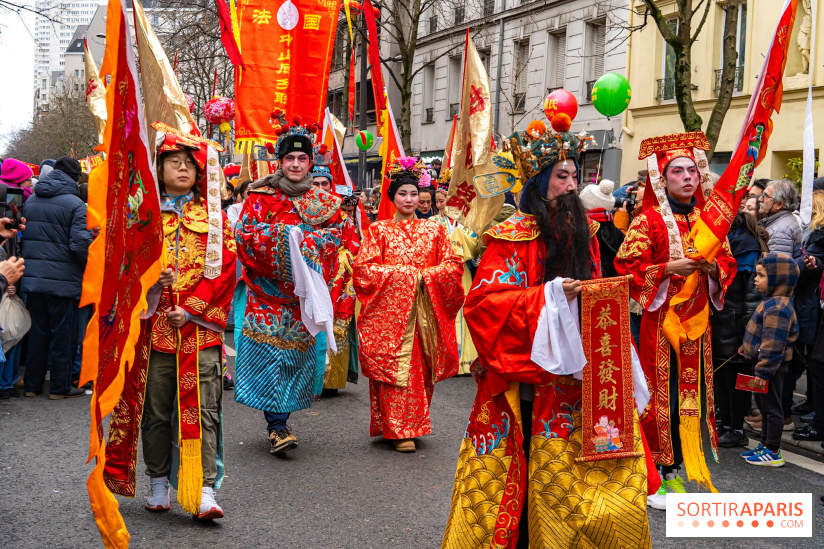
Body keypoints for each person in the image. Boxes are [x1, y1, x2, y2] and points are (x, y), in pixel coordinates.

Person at [443, 129, 656, 548]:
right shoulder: (510, 237)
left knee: (591, 479)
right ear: (540, 183)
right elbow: (483, 306)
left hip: (581, 378)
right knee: (520, 472)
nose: (573, 185)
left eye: (575, 176)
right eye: (562, 176)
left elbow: (596, 286)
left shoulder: (586, 235)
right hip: (527, 377)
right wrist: (552, 295)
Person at [102, 127, 237, 520]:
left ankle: (204, 488)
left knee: (204, 411)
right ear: (158, 168)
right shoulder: (143, 218)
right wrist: (150, 282)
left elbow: (224, 269)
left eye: (188, 165)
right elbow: (122, 267)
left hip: (198, 331)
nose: (181, 169)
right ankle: (158, 481)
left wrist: (192, 309)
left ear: (199, 174)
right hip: (153, 332)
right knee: (156, 410)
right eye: (173, 163)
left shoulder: (213, 219)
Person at [614, 132, 737, 507]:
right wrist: (669, 267)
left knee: (693, 396)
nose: (687, 177)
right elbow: (626, 267)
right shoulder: (647, 220)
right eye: (677, 171)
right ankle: (658, 472)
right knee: (659, 396)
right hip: (660, 324)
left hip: (698, 325)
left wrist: (713, 269)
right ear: (662, 178)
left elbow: (729, 263)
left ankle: (679, 467)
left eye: (692, 171)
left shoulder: (710, 221)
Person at [234, 123, 354, 456]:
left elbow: (339, 238)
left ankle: (281, 421)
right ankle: (276, 426)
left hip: (302, 298)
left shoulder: (325, 202)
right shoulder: (260, 196)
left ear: (310, 161)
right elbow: (244, 236)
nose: (297, 165)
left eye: (303, 158)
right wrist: (285, 242)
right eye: (291, 159)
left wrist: (311, 245)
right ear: (280, 161)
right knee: (268, 356)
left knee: (292, 359)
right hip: (267, 293)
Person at [353, 157, 464, 452]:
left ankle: (410, 423)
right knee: (395, 368)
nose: (409, 199)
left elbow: (453, 266)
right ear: (393, 197)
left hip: (425, 313)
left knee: (420, 370)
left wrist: (425, 277)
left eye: (414, 194)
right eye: (403, 193)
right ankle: (398, 429)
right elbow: (364, 271)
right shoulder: (379, 231)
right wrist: (405, 277)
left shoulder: (435, 231)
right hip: (391, 316)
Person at [21, 156, 92, 399]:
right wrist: (90, 265)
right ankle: (60, 388)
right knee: (64, 335)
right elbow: (79, 244)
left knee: (38, 333)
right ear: (74, 179)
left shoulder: (31, 201)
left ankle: (32, 385)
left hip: (34, 278)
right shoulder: (75, 204)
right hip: (63, 280)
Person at [711, 212, 768, 446]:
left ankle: (736, 428)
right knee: (722, 377)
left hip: (736, 325)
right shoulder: (727, 241)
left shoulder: (747, 245)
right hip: (721, 320)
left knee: (738, 379)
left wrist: (748, 334)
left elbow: (752, 297)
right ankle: (725, 423)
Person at [739, 253, 799, 466]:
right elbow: (761, 334)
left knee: (772, 408)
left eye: (762, 275)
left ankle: (773, 451)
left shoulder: (777, 308)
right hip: (765, 364)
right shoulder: (771, 302)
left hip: (771, 367)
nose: (756, 279)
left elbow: (773, 344)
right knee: (765, 407)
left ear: (778, 280)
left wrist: (763, 372)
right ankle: (765, 445)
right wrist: (746, 347)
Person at [431, 173, 480, 375]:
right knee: (444, 314)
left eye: (442, 199)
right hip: (442, 275)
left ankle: (466, 360)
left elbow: (474, 243)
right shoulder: (433, 222)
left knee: (464, 311)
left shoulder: (467, 222)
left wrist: (458, 242)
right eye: (437, 200)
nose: (439, 203)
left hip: (463, 273)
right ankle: (445, 359)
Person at [791, 190, 824, 441]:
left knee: (817, 362)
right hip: (813, 300)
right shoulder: (813, 233)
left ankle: (819, 421)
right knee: (814, 362)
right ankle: (814, 409)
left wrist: (813, 263)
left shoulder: (819, 235)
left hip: (815, 302)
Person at [758, 179, 801, 255]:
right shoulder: (781, 222)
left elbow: (777, 265)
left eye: (766, 196)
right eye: (762, 195)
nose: (760, 199)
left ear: (779, 205)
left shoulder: (779, 232)